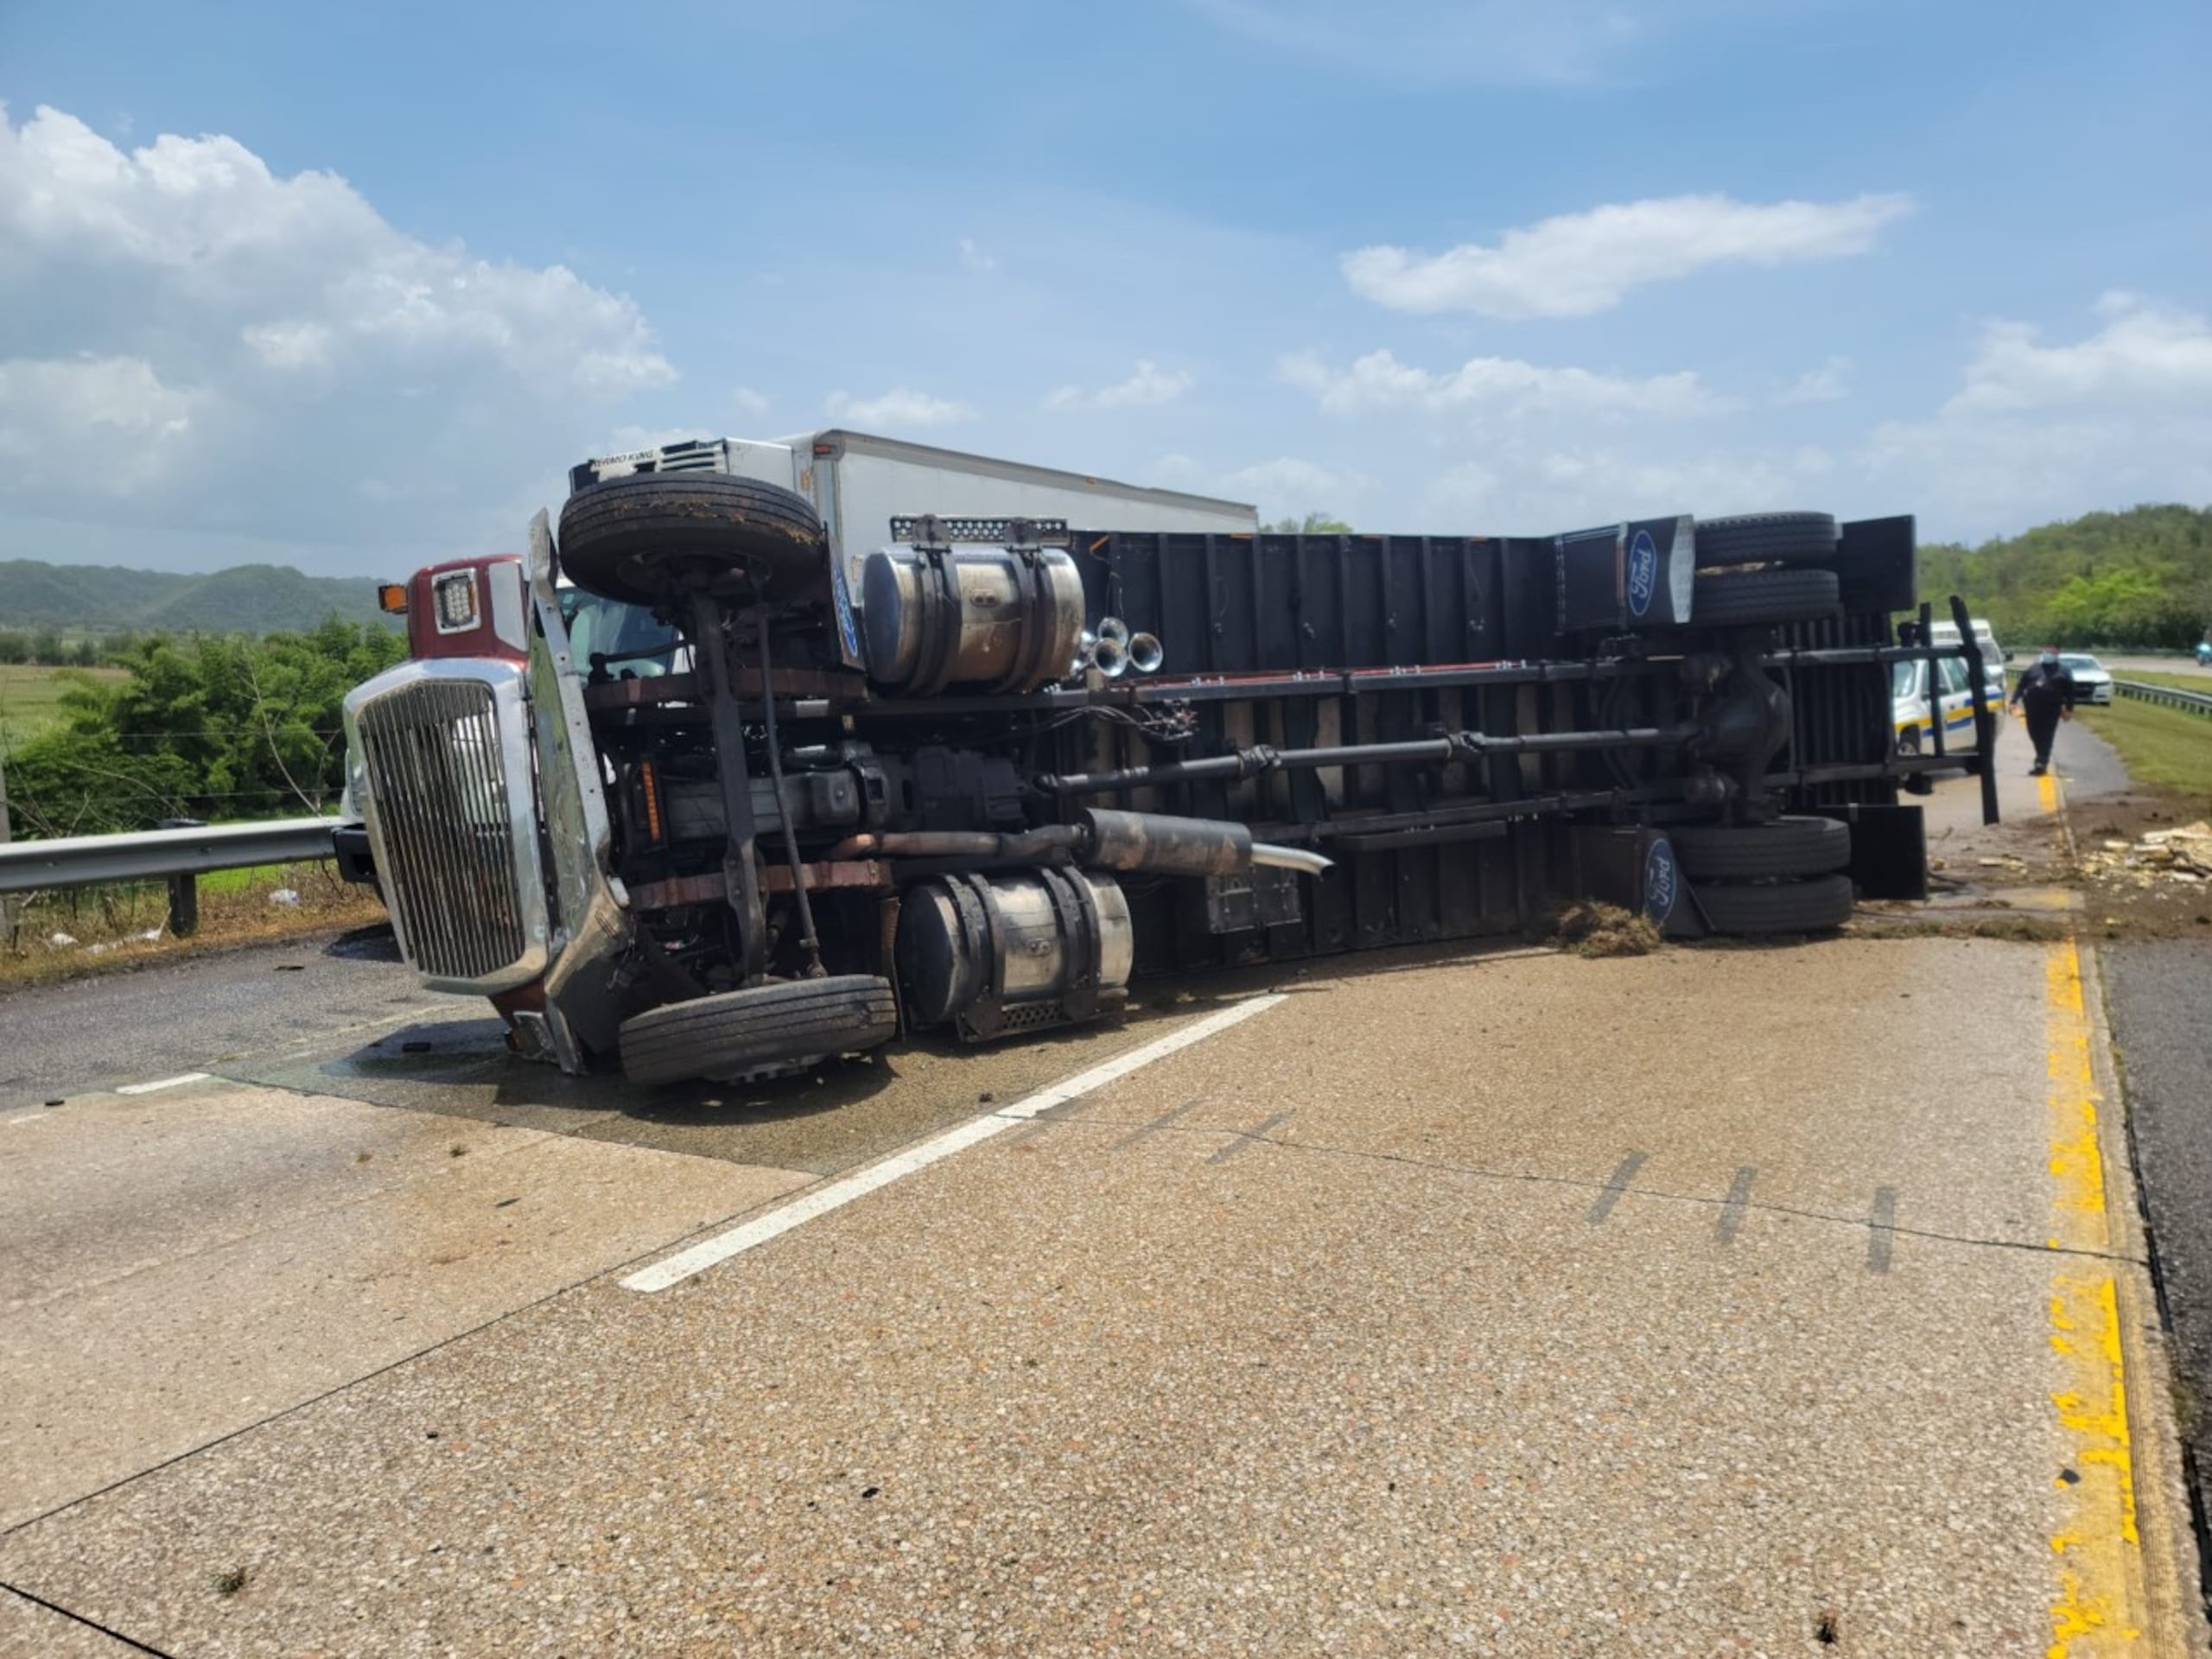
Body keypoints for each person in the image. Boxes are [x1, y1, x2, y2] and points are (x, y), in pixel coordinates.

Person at [2009, 645, 2076, 777]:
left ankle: (2041, 762)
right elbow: (2021, 685)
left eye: (2052, 652)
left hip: (2051, 709)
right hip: (2032, 708)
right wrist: (2013, 701)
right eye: (2047, 652)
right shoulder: (2033, 668)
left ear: (2057, 654)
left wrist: (2069, 709)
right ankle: (2041, 757)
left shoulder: (2064, 671)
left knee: (2046, 735)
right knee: (2034, 734)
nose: (2049, 654)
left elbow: (2071, 692)